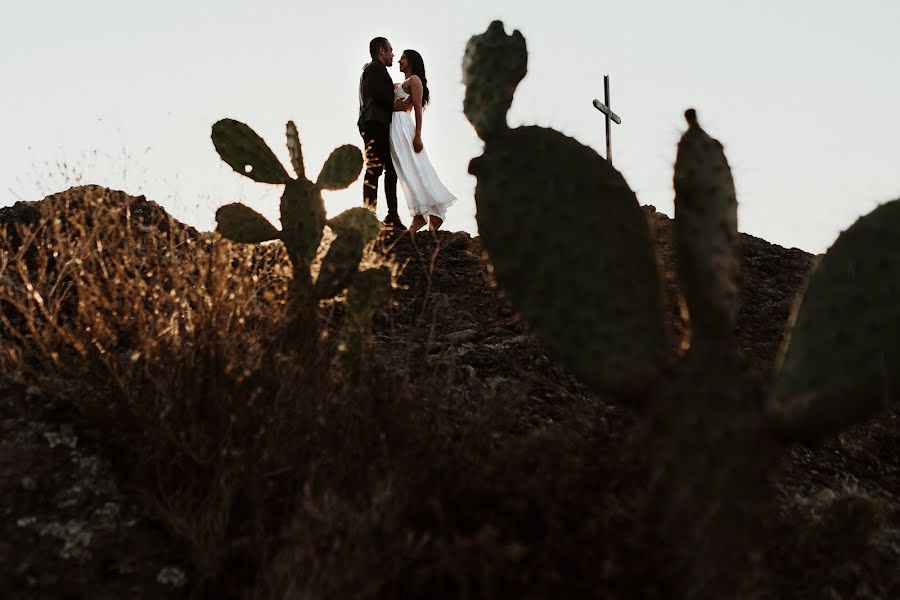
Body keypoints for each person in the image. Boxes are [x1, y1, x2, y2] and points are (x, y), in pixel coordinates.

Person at [390, 50, 456, 232]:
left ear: (410, 61)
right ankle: (419, 214)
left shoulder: (415, 81)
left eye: (402, 58)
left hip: (404, 127)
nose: (399, 61)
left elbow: (418, 109)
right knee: (405, 170)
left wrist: (418, 135)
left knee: (416, 166)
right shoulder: (398, 84)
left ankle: (431, 213)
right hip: (393, 129)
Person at [358, 37, 410, 229]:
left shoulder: (372, 70)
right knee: (374, 168)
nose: (393, 55)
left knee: (390, 168)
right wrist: (393, 103)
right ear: (382, 51)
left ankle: (392, 215)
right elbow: (375, 92)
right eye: (391, 51)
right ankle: (369, 215)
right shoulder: (375, 69)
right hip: (374, 123)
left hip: (377, 123)